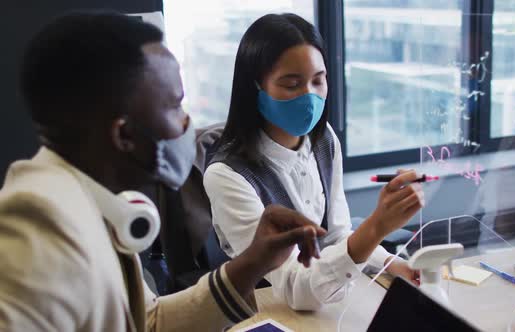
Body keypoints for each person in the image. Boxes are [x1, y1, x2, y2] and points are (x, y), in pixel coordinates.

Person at [0, 11, 325, 332]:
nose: (187, 125)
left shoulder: (89, 200)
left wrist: (252, 262)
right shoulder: (38, 218)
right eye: (174, 105)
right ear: (123, 135)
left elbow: (148, 322)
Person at [203, 13, 425, 311]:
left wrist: (389, 264)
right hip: (264, 308)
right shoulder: (227, 176)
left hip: (325, 296)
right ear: (255, 85)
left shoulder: (323, 139)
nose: (309, 97)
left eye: (318, 81)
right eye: (291, 84)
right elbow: (294, 289)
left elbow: (336, 235)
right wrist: (376, 227)